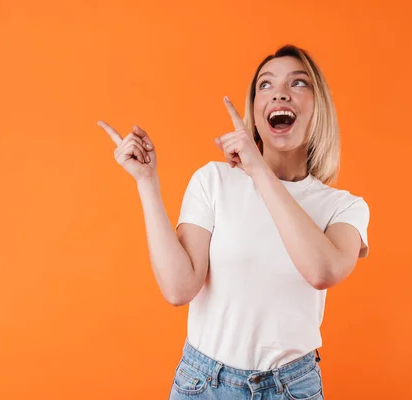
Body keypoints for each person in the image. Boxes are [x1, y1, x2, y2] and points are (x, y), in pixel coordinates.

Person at [98, 44, 370, 400]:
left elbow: (323, 271)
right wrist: (146, 182)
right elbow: (178, 289)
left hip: (292, 389)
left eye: (299, 83)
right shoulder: (213, 181)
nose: (280, 93)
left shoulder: (344, 207)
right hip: (204, 384)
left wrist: (258, 169)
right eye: (266, 85)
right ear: (255, 112)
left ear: (318, 108)